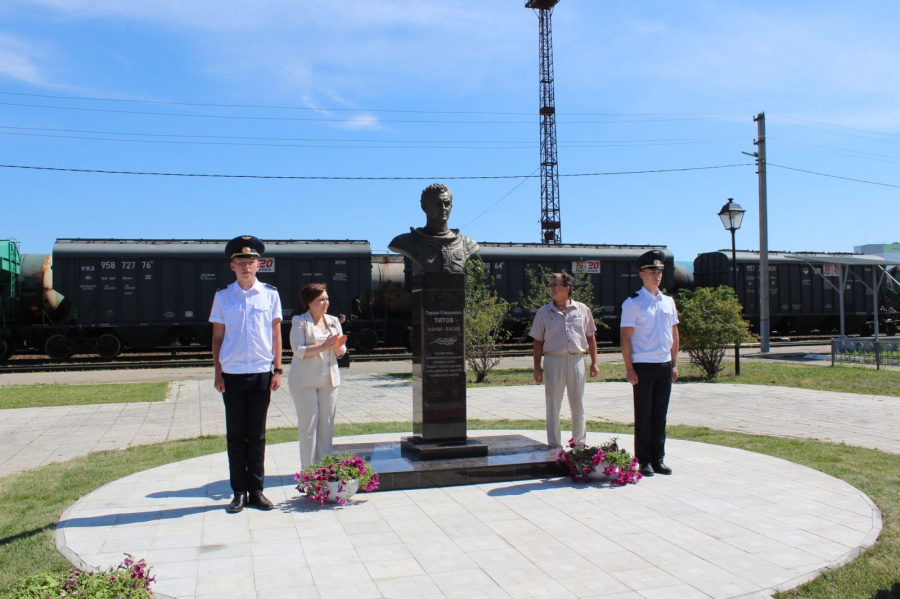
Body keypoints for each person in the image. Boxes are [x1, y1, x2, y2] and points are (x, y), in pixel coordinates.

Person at [210, 235, 283, 513]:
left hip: (261, 374)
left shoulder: (270, 294)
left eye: (250, 261)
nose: (245, 266)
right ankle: (238, 492)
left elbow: (276, 335)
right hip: (232, 374)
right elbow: (217, 338)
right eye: (240, 262)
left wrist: (277, 369)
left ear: (259, 265)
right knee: (235, 435)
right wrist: (217, 373)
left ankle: (257, 491)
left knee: (258, 435)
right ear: (232, 266)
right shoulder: (222, 296)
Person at [620, 249, 680, 477]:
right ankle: (643, 460)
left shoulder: (668, 302)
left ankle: (658, 458)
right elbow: (625, 337)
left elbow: (674, 334)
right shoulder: (633, 303)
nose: (657, 275)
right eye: (652, 271)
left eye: (659, 272)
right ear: (641, 274)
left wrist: (674, 363)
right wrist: (629, 368)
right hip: (643, 365)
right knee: (643, 415)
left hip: (664, 364)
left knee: (660, 415)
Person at [530, 272, 600, 448]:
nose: (552, 289)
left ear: (567, 289)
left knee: (578, 404)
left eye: (556, 285)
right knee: (553, 404)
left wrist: (595, 362)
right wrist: (537, 368)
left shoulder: (583, 310)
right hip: (554, 361)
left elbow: (591, 338)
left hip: (577, 361)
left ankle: (580, 445)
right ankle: (554, 445)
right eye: (551, 285)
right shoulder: (543, 313)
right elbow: (538, 342)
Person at [288, 283, 348, 468]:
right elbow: (298, 350)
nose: (326, 303)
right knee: (308, 427)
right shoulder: (300, 321)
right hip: (304, 382)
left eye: (327, 299)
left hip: (329, 380)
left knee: (326, 426)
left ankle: (325, 470)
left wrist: (338, 345)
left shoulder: (333, 321)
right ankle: (308, 473)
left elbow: (340, 352)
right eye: (321, 299)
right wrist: (324, 346)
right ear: (309, 302)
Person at [388, 183, 479, 275]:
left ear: (451, 206)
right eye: (437, 204)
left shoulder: (467, 243)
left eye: (447, 204)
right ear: (424, 207)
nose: (443, 208)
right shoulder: (406, 242)